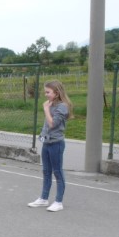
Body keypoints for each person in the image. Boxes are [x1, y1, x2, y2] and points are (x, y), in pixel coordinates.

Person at [28, 80, 73, 212]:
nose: (46, 94)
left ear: (57, 92)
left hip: (56, 144)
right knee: (46, 171)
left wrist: (46, 109)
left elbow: (53, 124)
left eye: (48, 92)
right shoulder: (51, 104)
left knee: (57, 172)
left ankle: (58, 202)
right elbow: (46, 125)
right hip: (47, 143)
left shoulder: (62, 107)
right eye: (45, 92)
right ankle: (43, 198)